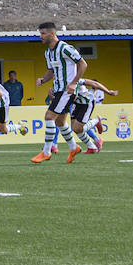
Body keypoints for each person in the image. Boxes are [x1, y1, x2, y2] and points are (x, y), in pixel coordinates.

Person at [31, 22, 87, 164]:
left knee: (49, 116)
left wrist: (74, 83)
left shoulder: (65, 48)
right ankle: (74, 148)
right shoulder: (48, 52)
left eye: (43, 33)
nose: (40, 36)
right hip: (58, 90)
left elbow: (83, 64)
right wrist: (44, 80)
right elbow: (51, 71)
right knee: (60, 121)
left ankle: (46, 152)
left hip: (66, 90)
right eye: (40, 33)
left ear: (52, 34)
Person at [64, 77, 117, 161]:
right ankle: (92, 147)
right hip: (76, 104)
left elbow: (95, 84)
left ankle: (96, 120)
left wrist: (108, 92)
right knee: (75, 128)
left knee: (78, 128)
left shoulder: (74, 80)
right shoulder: (59, 83)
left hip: (87, 103)